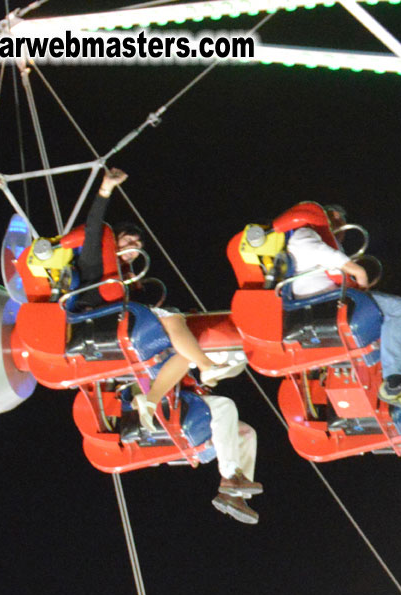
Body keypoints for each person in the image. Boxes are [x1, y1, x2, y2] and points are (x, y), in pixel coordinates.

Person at [76, 168, 246, 430]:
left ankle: (151, 398)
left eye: (138, 245)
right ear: (114, 242)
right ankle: (206, 366)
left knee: (183, 348)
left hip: (122, 322)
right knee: (173, 316)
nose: (134, 247)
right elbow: (93, 228)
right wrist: (105, 189)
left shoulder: (130, 277)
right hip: (97, 320)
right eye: (128, 240)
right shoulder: (94, 262)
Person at [282, 203, 401, 414]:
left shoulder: (316, 240)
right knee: (399, 308)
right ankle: (394, 381)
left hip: (332, 300)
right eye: (334, 219)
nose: (339, 226)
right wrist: (362, 285)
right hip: (323, 304)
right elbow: (355, 270)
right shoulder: (303, 236)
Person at [203, 395, 263, 524]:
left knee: (246, 433)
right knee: (225, 406)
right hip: (173, 401)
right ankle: (231, 475)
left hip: (189, 401)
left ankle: (232, 496)